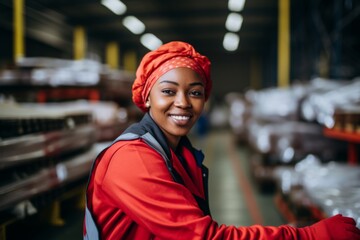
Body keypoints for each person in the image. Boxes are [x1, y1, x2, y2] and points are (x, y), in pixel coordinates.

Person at [83, 41, 360, 239]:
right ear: (146, 97)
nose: (182, 103)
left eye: (195, 92)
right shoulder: (133, 160)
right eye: (168, 91)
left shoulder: (181, 154)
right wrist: (308, 236)